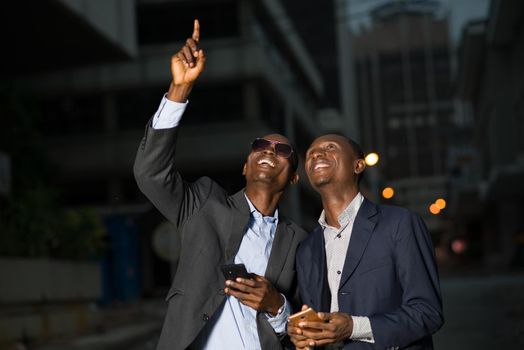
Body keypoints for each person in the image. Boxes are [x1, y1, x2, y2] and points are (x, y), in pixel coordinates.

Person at [133, 20, 308, 350]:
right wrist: (179, 89)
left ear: (294, 177)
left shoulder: (300, 241)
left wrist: (277, 306)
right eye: (260, 146)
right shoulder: (204, 203)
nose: (269, 151)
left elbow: (305, 324)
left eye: (283, 150)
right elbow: (150, 174)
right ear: (245, 165)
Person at [288, 134, 444, 350]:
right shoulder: (306, 249)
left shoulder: (400, 223)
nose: (316, 154)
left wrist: (354, 327)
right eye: (310, 153)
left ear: (358, 165)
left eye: (330, 147)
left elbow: (427, 312)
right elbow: (315, 320)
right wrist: (303, 335)